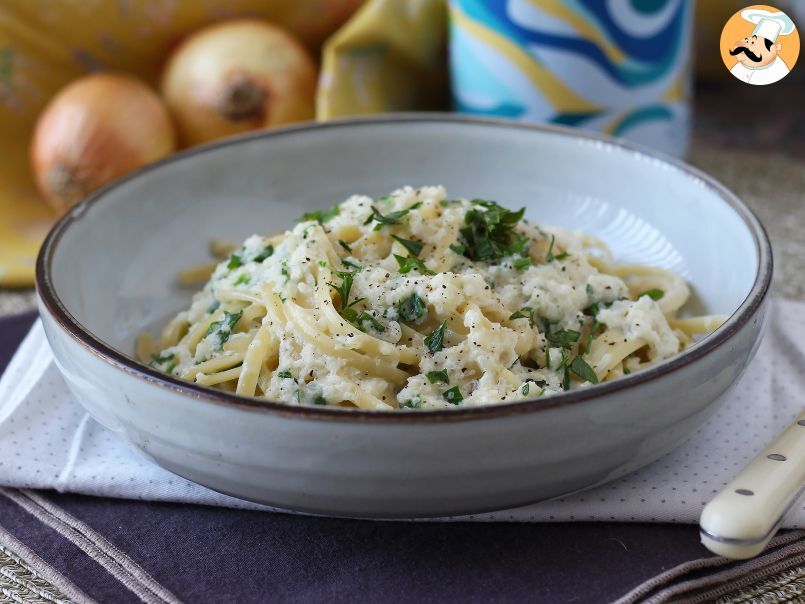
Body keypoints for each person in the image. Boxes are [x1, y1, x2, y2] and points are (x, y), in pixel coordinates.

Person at [728, 9, 796, 85]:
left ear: (776, 47)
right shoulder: (738, 67)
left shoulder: (779, 72)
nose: (746, 45)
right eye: (747, 40)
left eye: (753, 43)